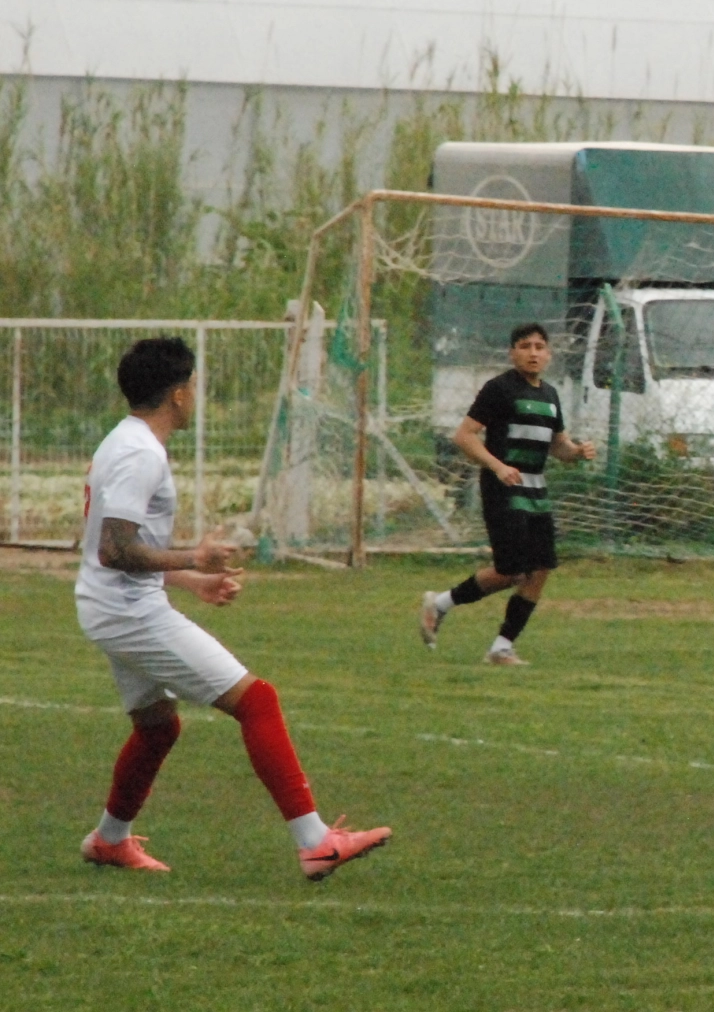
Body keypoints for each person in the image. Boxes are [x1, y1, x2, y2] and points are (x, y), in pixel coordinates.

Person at [75, 337, 390, 879]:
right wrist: (193, 556)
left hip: (112, 605)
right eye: (193, 385)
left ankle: (109, 840)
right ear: (177, 393)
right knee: (257, 701)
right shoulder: (139, 454)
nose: (196, 395)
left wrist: (190, 579)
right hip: (127, 612)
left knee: (157, 729)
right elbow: (115, 549)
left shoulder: (124, 442)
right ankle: (316, 843)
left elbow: (119, 549)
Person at [420, 323, 596, 665]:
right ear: (512, 353)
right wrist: (498, 466)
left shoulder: (550, 395)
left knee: (541, 568)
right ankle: (440, 604)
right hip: (504, 488)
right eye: (525, 346)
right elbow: (465, 436)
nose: (533, 353)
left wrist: (577, 452)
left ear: (549, 354)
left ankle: (501, 647)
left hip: (536, 489)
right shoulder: (499, 389)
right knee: (512, 571)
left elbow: (558, 445)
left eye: (539, 347)